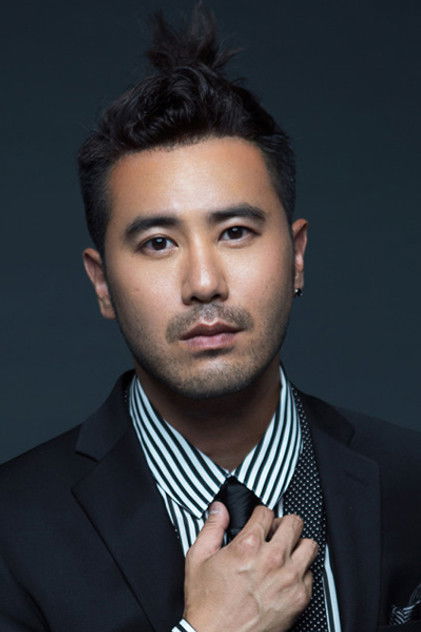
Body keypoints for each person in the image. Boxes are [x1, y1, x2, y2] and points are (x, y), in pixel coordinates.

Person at [0, 5, 420, 632]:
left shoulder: (411, 482)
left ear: (296, 256)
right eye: (158, 243)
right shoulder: (14, 531)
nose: (203, 283)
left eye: (235, 231)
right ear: (102, 284)